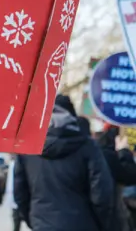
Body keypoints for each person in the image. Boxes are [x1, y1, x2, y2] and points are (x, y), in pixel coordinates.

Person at [14, 94, 115, 231]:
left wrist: (34, 221)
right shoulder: (87, 146)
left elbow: (20, 194)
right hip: (82, 224)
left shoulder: (27, 148)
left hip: (43, 224)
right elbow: (102, 195)